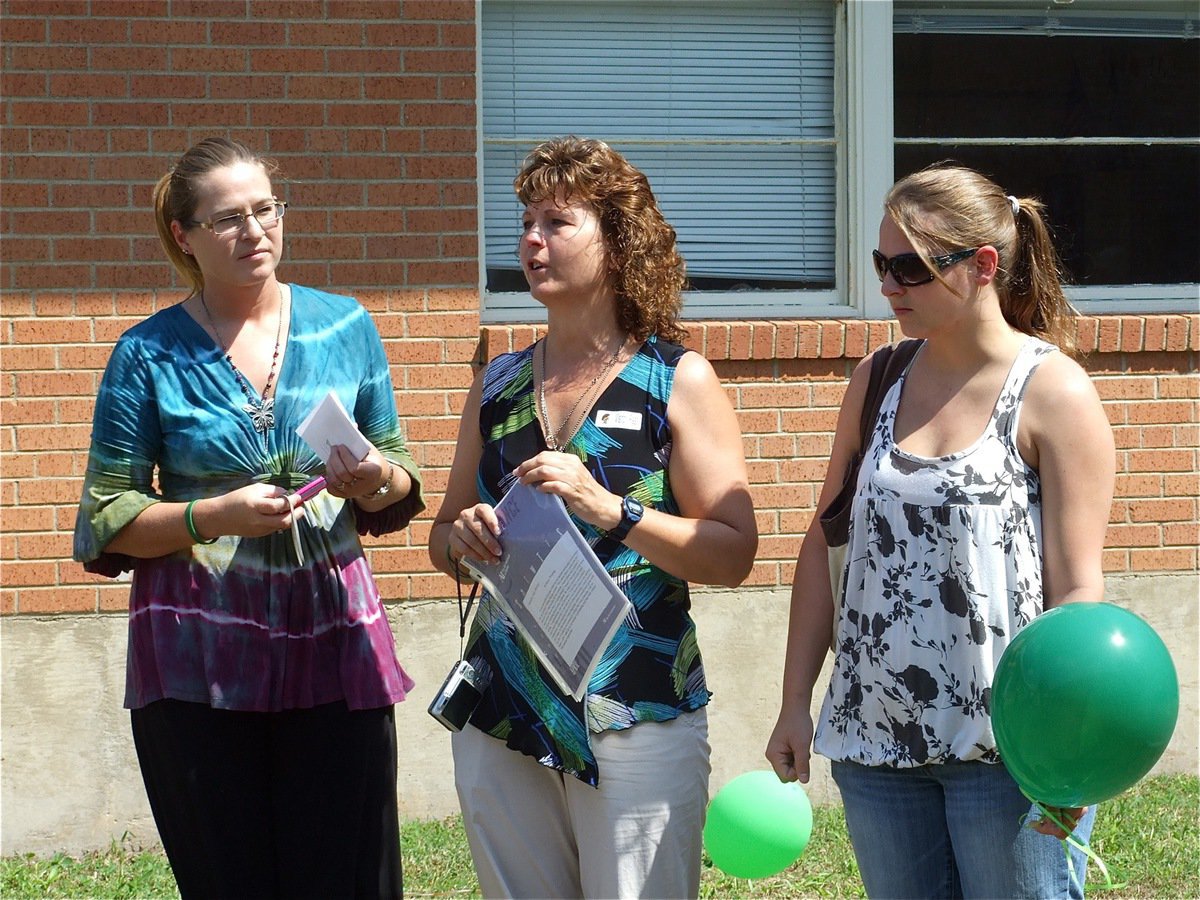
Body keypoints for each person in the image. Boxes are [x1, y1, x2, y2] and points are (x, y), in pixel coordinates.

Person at [73, 137, 424, 900]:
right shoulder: (147, 355)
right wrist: (212, 515)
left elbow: (398, 476)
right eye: (228, 218)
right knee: (229, 879)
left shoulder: (345, 326)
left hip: (335, 643)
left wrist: (374, 478)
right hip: (198, 656)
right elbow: (106, 516)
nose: (255, 231)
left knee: (350, 876)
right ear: (184, 235)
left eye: (266, 209)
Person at [765, 163, 1116, 899]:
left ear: (982, 266)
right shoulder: (878, 378)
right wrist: (795, 701)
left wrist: (1068, 756)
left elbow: (1078, 588)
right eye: (880, 264)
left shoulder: (1052, 391)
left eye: (909, 268)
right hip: (873, 746)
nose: (888, 285)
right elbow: (824, 542)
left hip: (1009, 755)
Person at [428, 136, 758, 899]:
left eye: (556, 222)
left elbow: (733, 553)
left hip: (633, 709)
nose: (531, 241)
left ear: (617, 242)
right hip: (506, 707)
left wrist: (610, 509)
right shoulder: (500, 382)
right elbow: (443, 534)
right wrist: (464, 539)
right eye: (526, 223)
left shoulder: (674, 379)